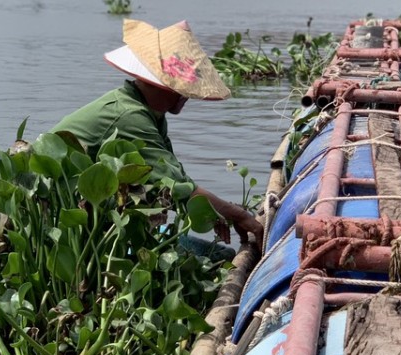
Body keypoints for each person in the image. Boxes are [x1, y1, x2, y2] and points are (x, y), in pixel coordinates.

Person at [51, 18, 263, 245]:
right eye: (180, 89)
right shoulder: (130, 116)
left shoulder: (151, 114)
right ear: (156, 83)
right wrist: (239, 215)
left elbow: (174, 179)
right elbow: (180, 189)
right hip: (55, 216)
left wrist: (219, 212)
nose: (186, 95)